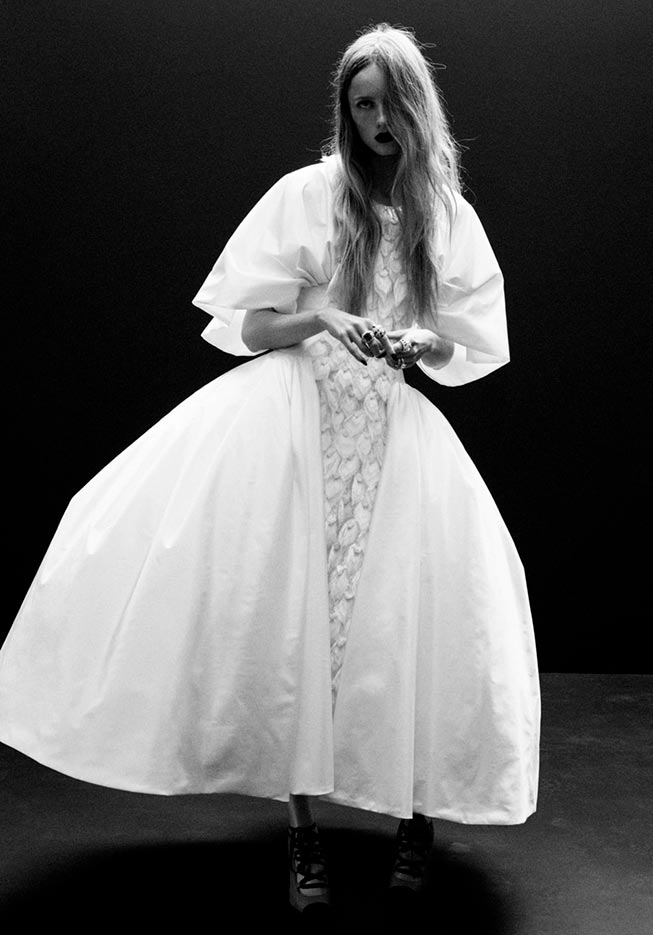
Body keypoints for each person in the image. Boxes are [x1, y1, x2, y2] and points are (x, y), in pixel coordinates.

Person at [0, 24, 539, 915]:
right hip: (292, 424)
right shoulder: (308, 195)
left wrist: (417, 340)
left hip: (390, 433)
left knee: (412, 618)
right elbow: (247, 326)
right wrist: (323, 317)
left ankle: (417, 814)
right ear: (346, 111)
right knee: (289, 623)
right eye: (360, 105)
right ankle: (303, 828)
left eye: (388, 104)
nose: (375, 121)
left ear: (417, 107)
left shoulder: (445, 215)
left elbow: (467, 343)